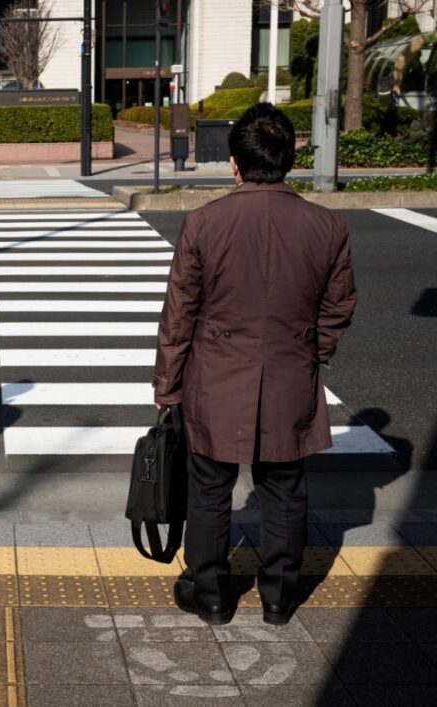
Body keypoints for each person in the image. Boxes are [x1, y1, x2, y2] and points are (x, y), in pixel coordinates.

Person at [153, 103, 356, 627]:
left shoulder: (203, 223)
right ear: (290, 159)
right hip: (291, 373)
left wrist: (167, 388)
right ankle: (279, 597)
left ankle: (212, 593)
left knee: (209, 488)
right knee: (285, 488)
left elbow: (180, 314)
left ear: (234, 163)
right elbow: (338, 305)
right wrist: (313, 351)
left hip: (215, 377)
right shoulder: (326, 226)